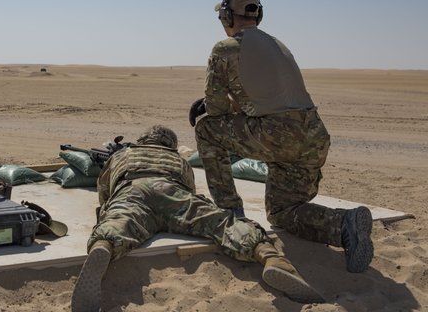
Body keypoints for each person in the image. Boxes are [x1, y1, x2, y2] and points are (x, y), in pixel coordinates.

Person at [189, 0, 373, 274]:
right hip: (313, 137)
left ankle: (230, 214)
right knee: (282, 213)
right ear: (258, 15)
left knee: (207, 130)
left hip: (277, 135)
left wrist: (210, 105)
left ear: (226, 16)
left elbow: (216, 111)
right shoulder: (277, 44)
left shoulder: (226, 48)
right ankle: (343, 225)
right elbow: (266, 99)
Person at [71, 125, 323, 312]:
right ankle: (270, 258)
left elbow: (105, 193)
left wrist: (111, 209)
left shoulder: (120, 156)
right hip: (172, 191)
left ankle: (104, 246)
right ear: (169, 144)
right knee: (223, 223)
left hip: (133, 188)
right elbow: (188, 190)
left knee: (118, 221)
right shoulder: (178, 160)